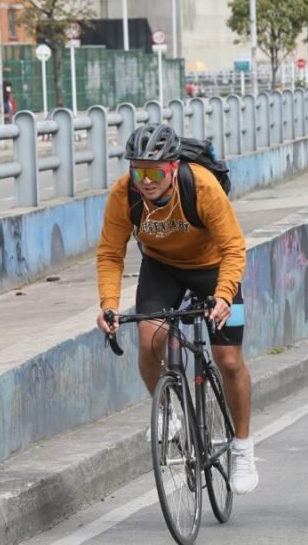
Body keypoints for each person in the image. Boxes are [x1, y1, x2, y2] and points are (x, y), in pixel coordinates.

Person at [95, 123, 259, 495]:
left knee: (229, 360)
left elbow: (234, 246)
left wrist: (222, 295)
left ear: (173, 167)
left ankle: (243, 448)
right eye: (138, 171)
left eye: (155, 172)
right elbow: (110, 253)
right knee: (150, 337)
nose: (146, 181)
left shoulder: (200, 185)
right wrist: (108, 304)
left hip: (214, 268)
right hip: (162, 267)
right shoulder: (125, 195)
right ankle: (170, 409)